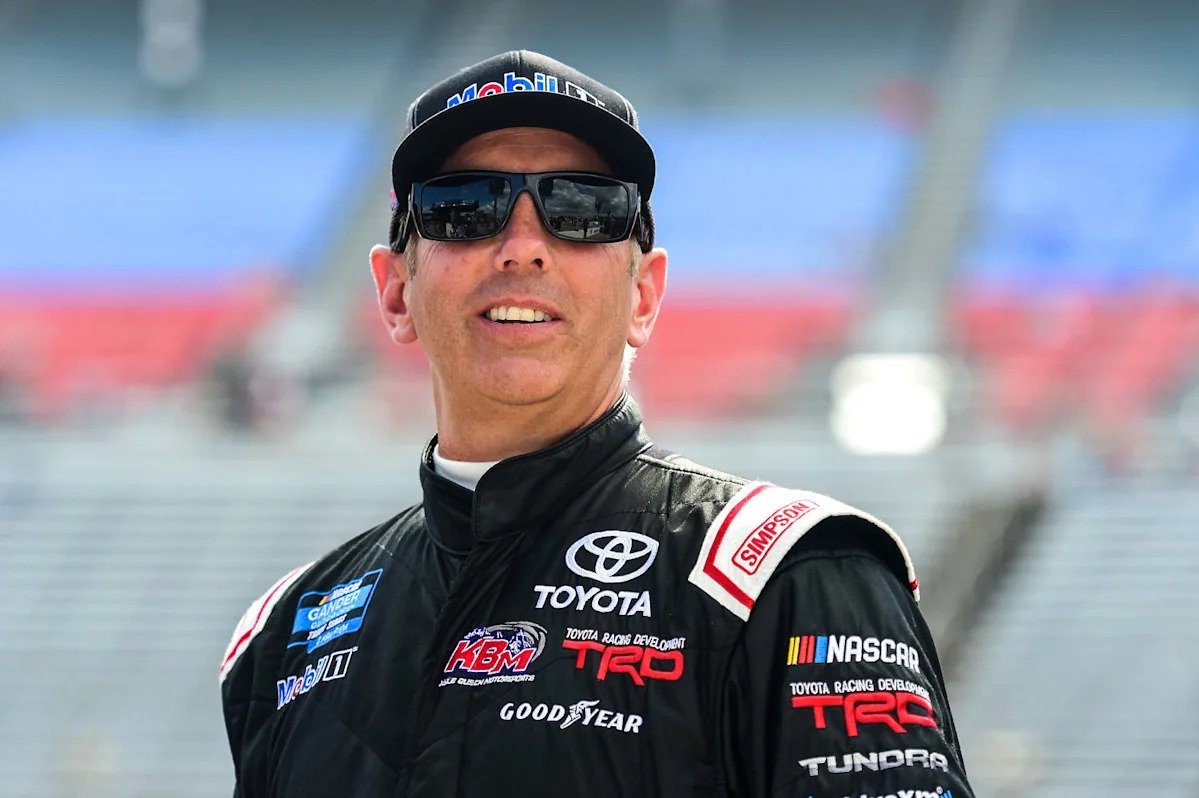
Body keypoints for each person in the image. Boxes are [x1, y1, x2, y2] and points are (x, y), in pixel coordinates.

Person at [219, 50, 975, 798]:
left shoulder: (790, 574)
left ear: (644, 296)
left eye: (582, 209)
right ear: (394, 293)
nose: (522, 249)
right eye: (464, 206)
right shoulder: (289, 631)